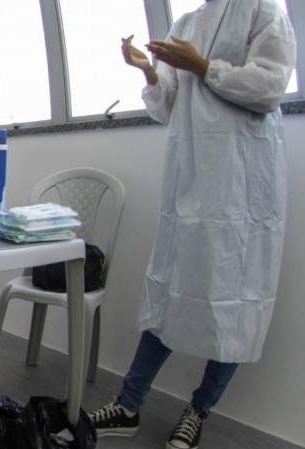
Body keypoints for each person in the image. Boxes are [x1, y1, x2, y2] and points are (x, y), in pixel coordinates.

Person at [87, 3, 295, 449]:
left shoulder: (263, 10)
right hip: (191, 177)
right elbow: (168, 106)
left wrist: (201, 65)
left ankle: (199, 410)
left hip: (243, 183)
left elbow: (270, 87)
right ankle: (128, 405)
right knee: (170, 289)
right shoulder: (186, 23)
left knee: (237, 300)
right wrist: (148, 71)